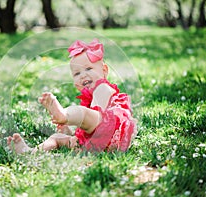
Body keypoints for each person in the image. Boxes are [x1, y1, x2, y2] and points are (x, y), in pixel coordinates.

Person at [7, 39, 137, 154]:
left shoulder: (103, 88)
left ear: (104, 70)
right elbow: (88, 127)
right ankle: (29, 152)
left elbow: (97, 119)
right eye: (77, 73)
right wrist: (68, 130)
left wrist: (71, 118)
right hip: (92, 145)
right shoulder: (90, 98)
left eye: (88, 69)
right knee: (56, 138)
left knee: (84, 113)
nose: (83, 75)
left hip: (110, 133)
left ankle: (64, 115)